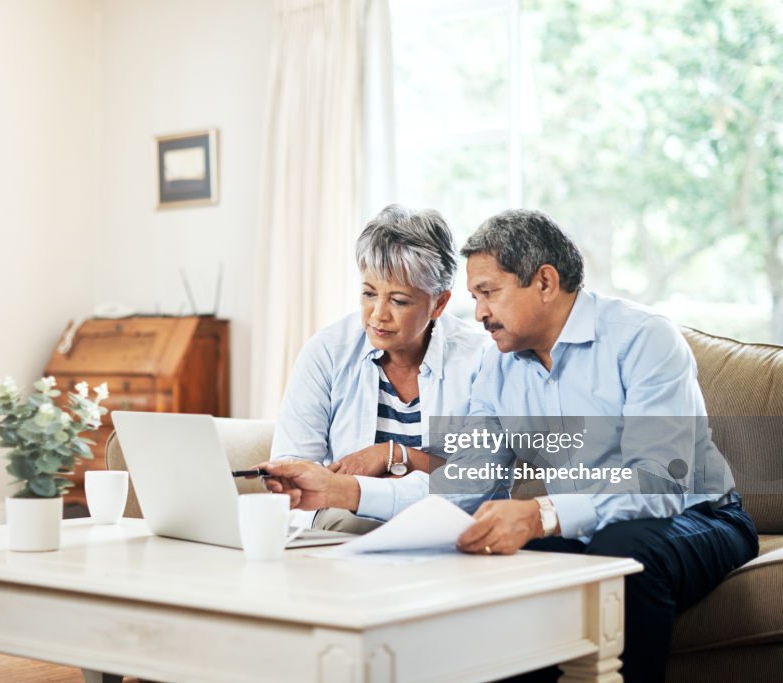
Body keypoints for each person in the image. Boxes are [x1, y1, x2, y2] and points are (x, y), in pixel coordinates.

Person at [264, 209, 758, 683]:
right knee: (502, 573)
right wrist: (340, 492)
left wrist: (541, 514)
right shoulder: (495, 368)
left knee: (619, 554)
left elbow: (661, 480)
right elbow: (465, 488)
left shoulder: (644, 338)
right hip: (591, 528)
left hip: (699, 514)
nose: (477, 313)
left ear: (544, 282)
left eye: (488, 293)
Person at [270, 204, 490, 533]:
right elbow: (292, 466)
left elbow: (479, 480)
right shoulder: (328, 352)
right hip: (346, 521)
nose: (377, 315)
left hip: (441, 521)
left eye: (399, 300)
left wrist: (394, 454)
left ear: (439, 304)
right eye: (369, 293)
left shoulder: (478, 361)